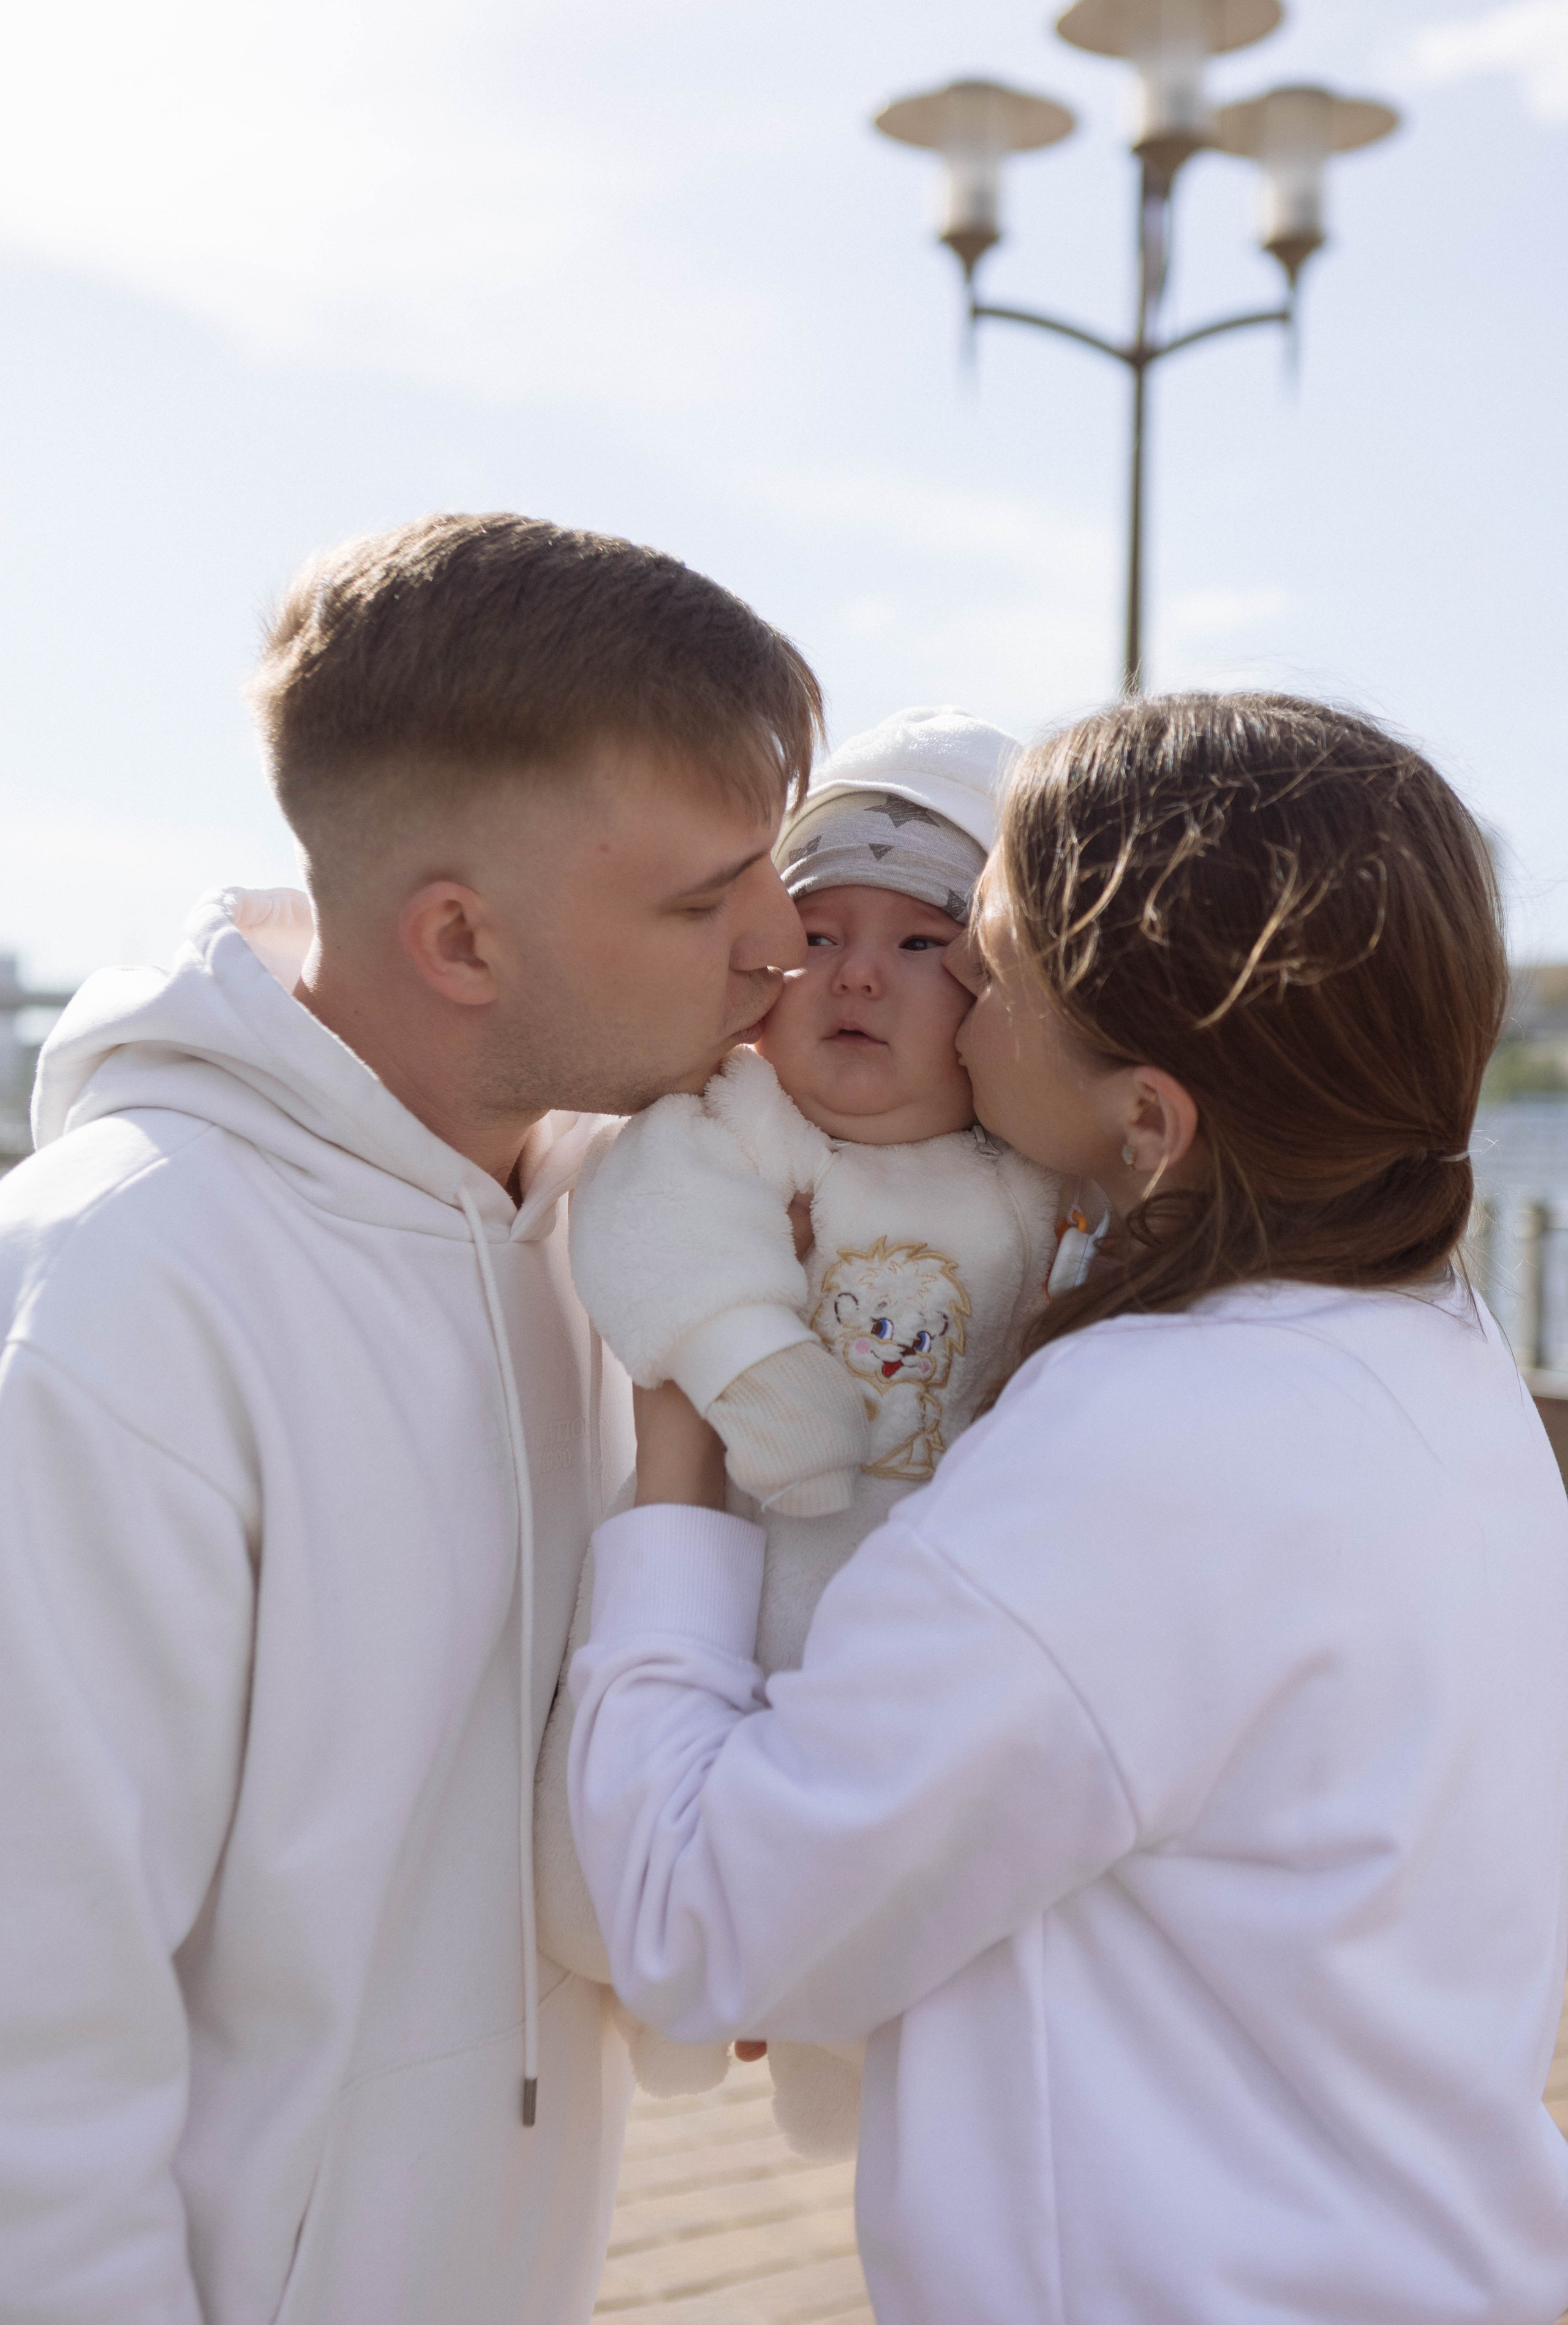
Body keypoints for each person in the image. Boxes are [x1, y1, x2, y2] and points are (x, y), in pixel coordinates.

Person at [568, 691, 1568, 2325]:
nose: (949, 1012)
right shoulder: (1433, 1358)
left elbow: (706, 1920)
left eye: (993, 965)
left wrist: (675, 1458)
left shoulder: (1153, 1451)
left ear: (1152, 1120)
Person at [0, 513, 818, 2325]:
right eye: (706, 898)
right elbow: (30, 2029)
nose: (787, 941)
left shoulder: (625, 1234)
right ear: (459, 938)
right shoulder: (117, 1300)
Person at [535, 709, 1066, 2153]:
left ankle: (849, 2078)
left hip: (908, 1621)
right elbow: (651, 1222)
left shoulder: (1028, 1179)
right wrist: (750, 1359)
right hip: (740, 1581)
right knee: (643, 1849)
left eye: (917, 947)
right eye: (819, 932)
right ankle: (676, 2020)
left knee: (886, 1911)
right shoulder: (745, 1122)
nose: (856, 978)